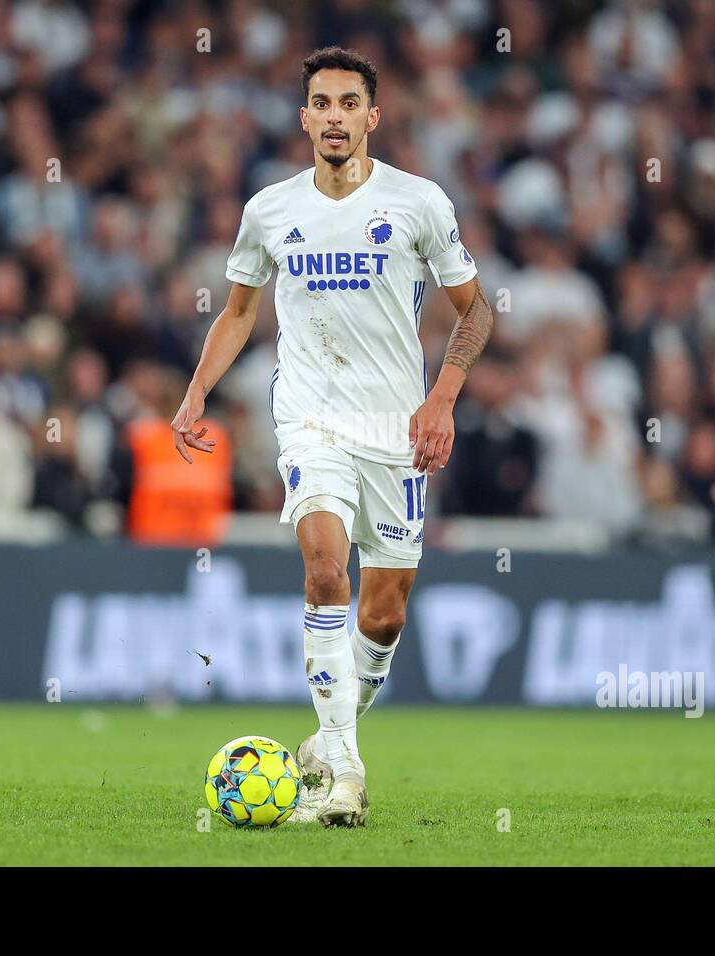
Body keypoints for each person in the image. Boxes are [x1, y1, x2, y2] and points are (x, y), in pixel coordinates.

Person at [170, 47, 493, 827]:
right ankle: (345, 773)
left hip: (397, 427)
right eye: (323, 102)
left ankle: (329, 736)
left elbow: (477, 310)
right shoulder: (269, 211)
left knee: (382, 618)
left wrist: (442, 400)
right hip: (310, 418)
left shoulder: (419, 203)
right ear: (305, 116)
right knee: (324, 571)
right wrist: (196, 391)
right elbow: (241, 311)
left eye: (351, 102)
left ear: (372, 117)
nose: (337, 116)